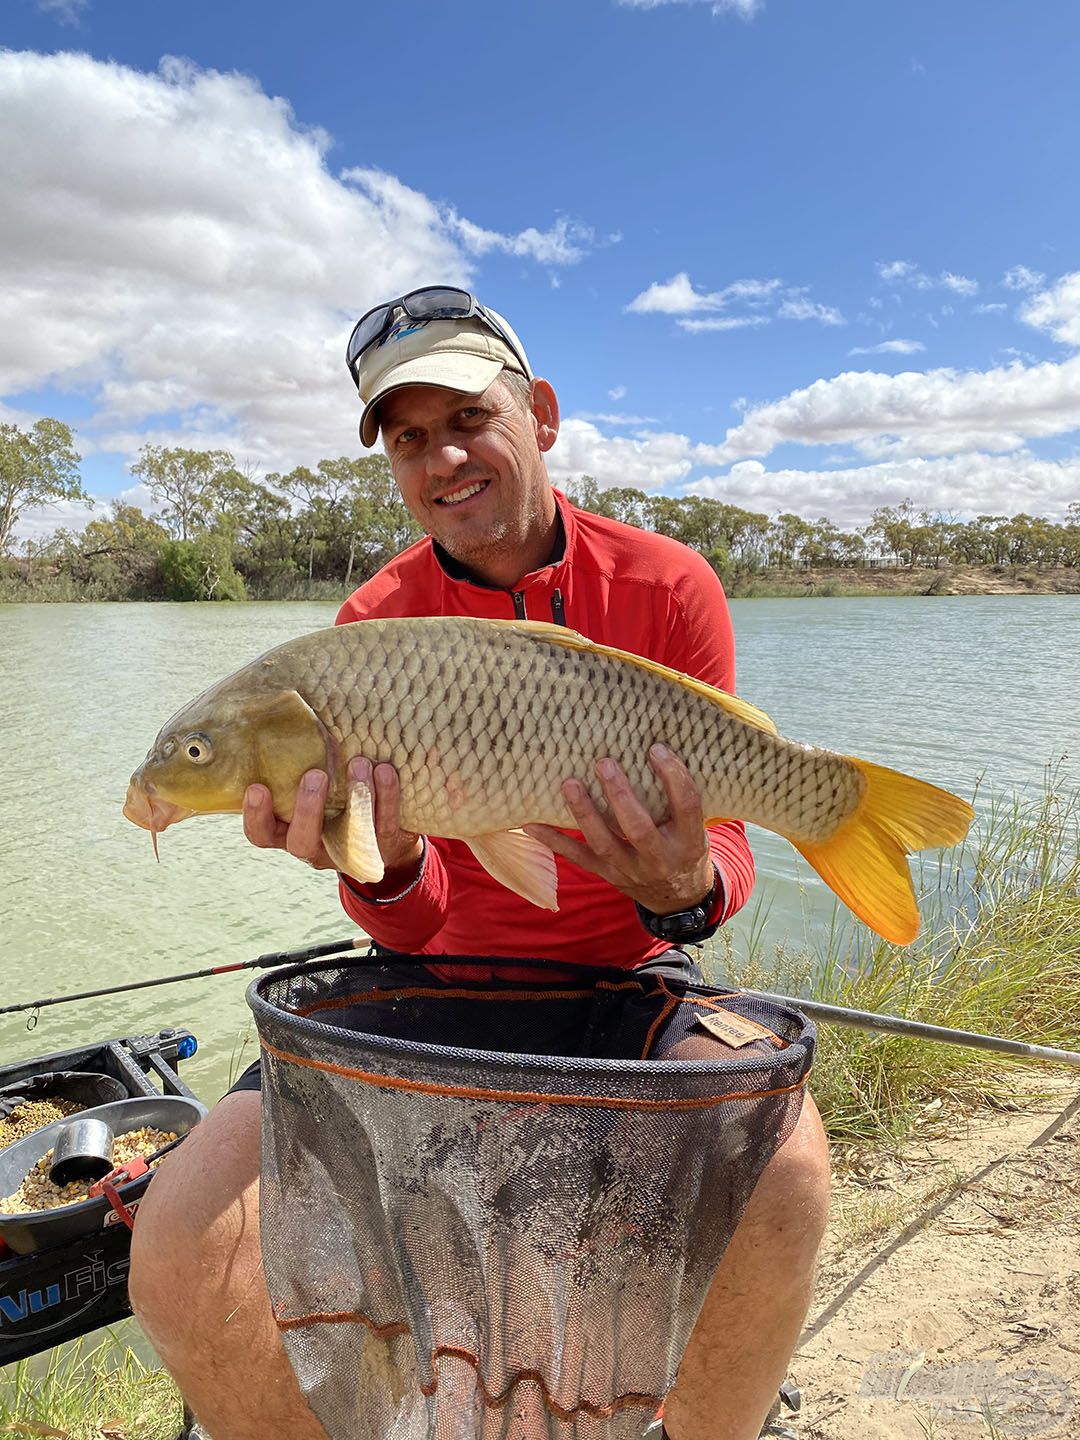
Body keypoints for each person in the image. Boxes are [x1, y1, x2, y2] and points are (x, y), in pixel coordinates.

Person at [129, 288, 830, 1440]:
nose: (441, 457)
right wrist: (390, 867)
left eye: (466, 417)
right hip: (432, 992)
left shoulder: (667, 586)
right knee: (184, 1232)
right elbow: (411, 926)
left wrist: (677, 889)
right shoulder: (370, 629)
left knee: (788, 1168)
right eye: (408, 439)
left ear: (540, 415)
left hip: (622, 984)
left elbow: (721, 860)